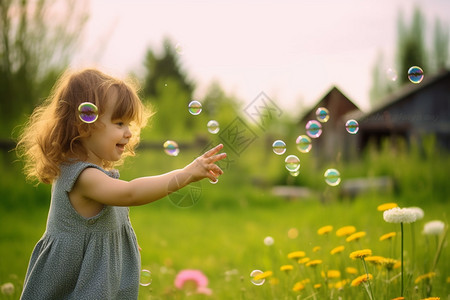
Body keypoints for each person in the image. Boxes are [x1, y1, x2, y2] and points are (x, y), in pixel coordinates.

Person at [16, 68, 226, 299]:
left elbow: (105, 222)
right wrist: (187, 173)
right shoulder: (83, 176)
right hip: (77, 287)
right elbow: (130, 194)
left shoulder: (98, 174)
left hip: (98, 281)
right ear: (83, 124)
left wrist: (118, 243)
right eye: (118, 123)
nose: (128, 132)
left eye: (128, 123)